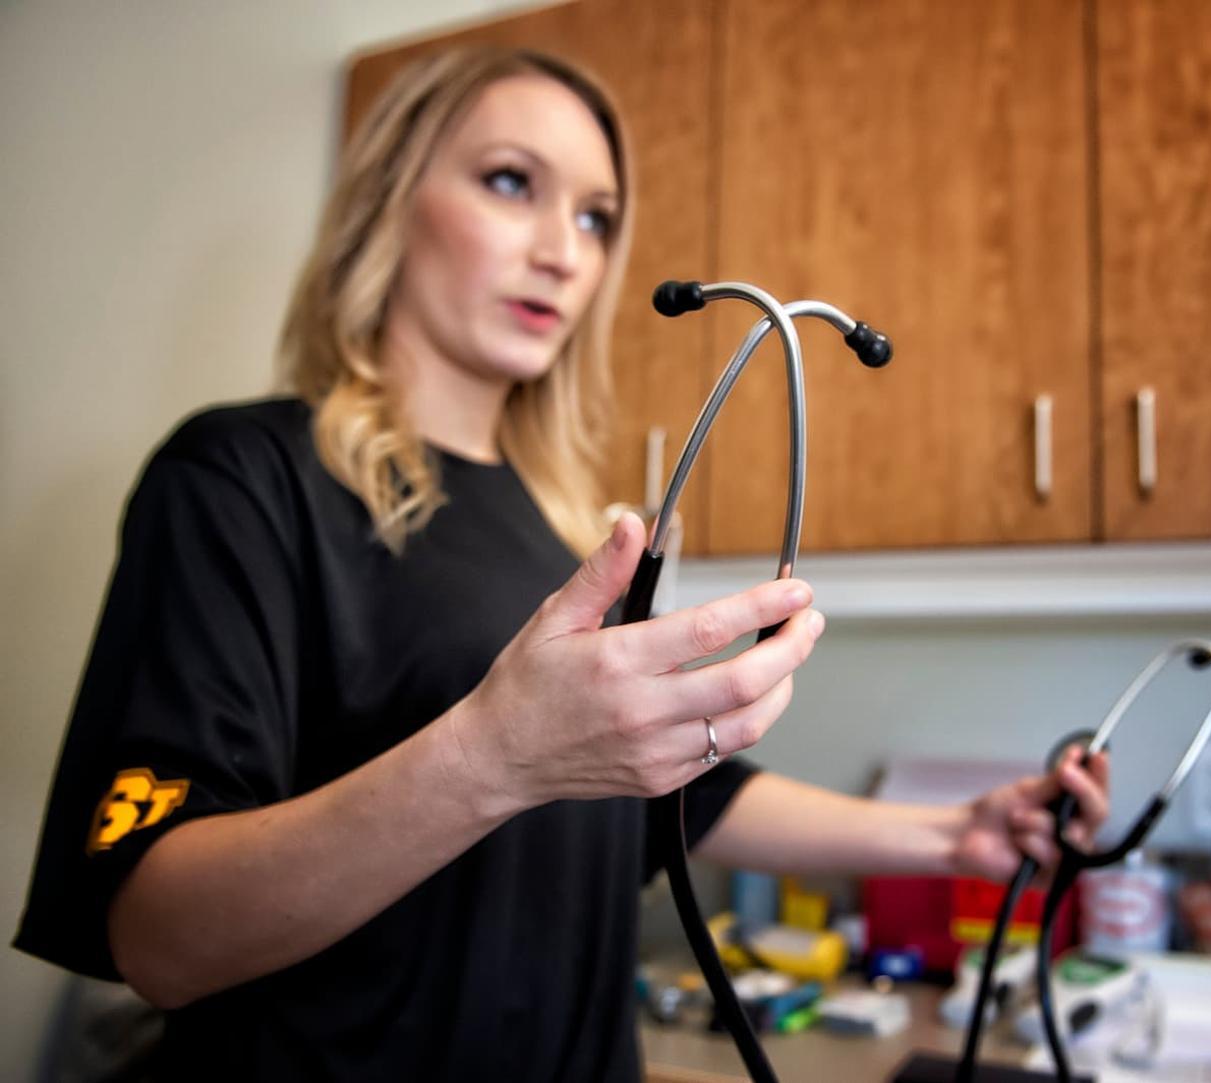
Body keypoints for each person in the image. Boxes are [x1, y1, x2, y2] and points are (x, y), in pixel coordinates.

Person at [15, 46, 1111, 1081]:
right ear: (391, 202)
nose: (564, 251)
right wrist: (491, 756)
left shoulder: (567, 533)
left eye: (597, 218)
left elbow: (678, 797)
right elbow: (156, 932)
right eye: (509, 183)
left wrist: (949, 838)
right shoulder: (241, 479)